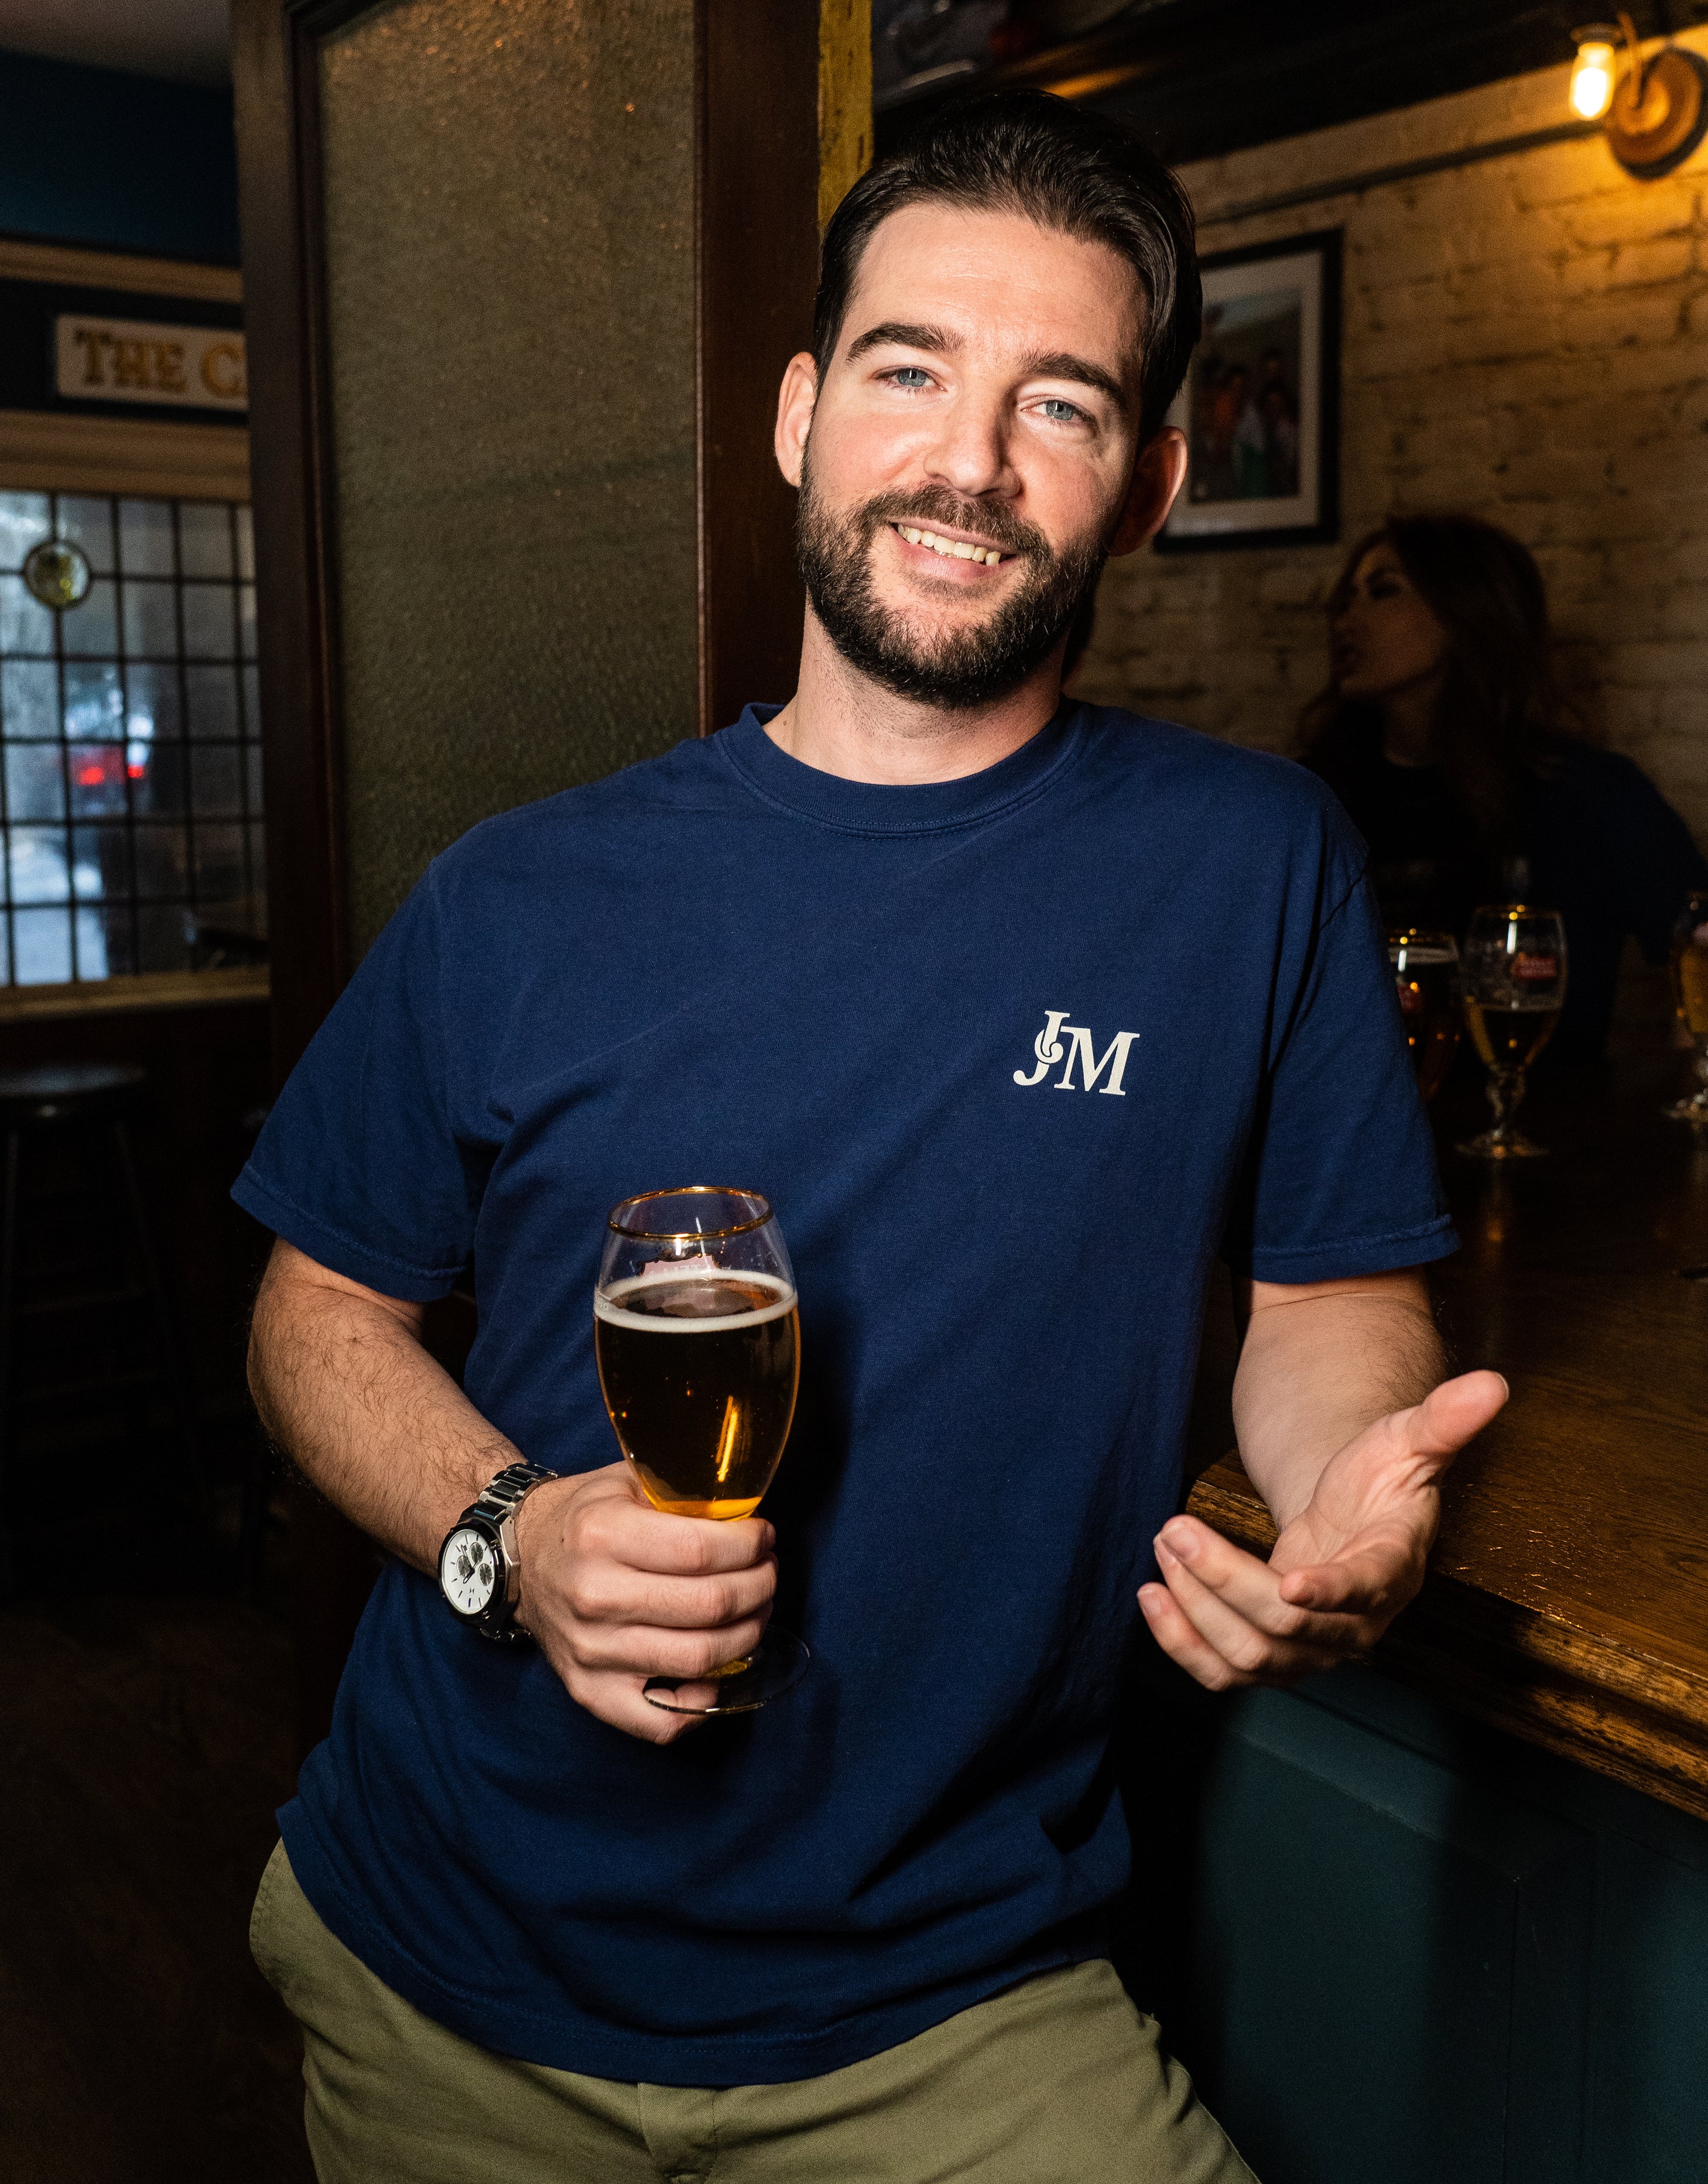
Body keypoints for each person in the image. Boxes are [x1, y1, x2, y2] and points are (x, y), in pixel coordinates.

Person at [239, 91, 1507, 2182]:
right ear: (803, 412)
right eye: (912, 370)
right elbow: (315, 1311)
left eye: (1064, 404)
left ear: (1156, 482)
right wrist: (508, 1537)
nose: (970, 462)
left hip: (959, 1989)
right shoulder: (517, 892)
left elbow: (1327, 1296)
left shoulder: (1253, 863)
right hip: (447, 1963)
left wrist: (1336, 1504)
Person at [1300, 515, 1708, 1059]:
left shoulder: (1586, 792)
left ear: (1465, 613)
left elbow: (1697, 940)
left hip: (1551, 1132)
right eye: (1345, 598)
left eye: (1383, 592)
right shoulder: (1312, 797)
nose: (1346, 620)